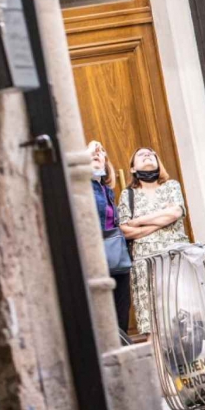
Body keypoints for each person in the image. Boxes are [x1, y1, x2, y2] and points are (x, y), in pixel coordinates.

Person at [119, 148, 189, 336]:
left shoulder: (171, 186)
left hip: (175, 259)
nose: (148, 155)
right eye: (141, 155)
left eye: (151, 154)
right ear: (133, 169)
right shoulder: (128, 195)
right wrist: (160, 220)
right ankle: (160, 364)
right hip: (145, 264)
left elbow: (175, 213)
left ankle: (191, 361)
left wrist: (139, 221)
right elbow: (125, 229)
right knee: (155, 319)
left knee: (183, 313)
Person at [87, 140, 132, 333]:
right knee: (101, 314)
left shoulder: (107, 189)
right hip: (95, 257)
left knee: (121, 310)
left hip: (116, 258)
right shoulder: (82, 187)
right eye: (92, 152)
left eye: (101, 152)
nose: (97, 153)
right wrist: (87, 153)